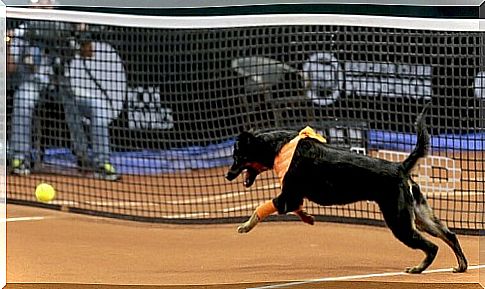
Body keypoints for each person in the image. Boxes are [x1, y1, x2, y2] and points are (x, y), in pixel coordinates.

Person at [8, 0, 125, 181]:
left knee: (98, 108)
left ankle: (102, 163)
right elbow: (11, 69)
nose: (42, 5)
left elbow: (88, 53)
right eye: (38, 2)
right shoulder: (23, 30)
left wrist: (83, 34)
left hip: (63, 86)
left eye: (46, 1)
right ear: (31, 5)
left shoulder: (65, 26)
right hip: (33, 83)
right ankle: (19, 158)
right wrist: (7, 43)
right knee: (23, 101)